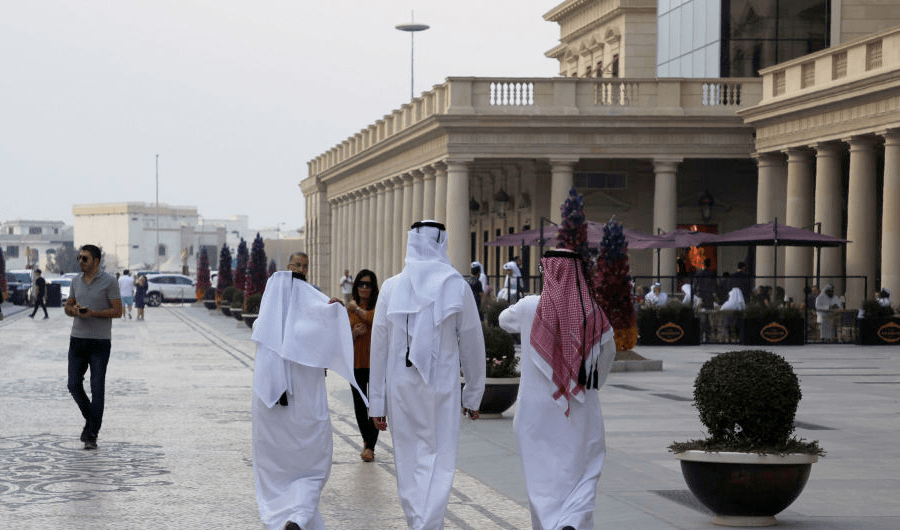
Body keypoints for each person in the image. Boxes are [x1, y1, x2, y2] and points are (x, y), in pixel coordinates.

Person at [368, 221, 486, 530]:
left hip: (400, 387)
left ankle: (419, 523)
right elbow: (473, 343)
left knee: (408, 460)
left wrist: (377, 403)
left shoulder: (392, 286)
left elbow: (377, 348)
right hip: (442, 386)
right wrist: (473, 394)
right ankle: (428, 523)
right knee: (441, 458)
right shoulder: (456, 285)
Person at [499, 249, 615, 530]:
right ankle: (571, 520)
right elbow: (608, 356)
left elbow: (503, 320)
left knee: (542, 477)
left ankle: (553, 523)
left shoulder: (528, 307)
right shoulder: (594, 313)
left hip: (534, 412)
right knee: (585, 469)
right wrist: (592, 382)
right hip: (580, 408)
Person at [251, 252, 365, 530]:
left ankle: (292, 518)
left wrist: (332, 314)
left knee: (286, 472)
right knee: (312, 470)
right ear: (288, 268)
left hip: (272, 409)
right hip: (300, 410)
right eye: (297, 266)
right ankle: (298, 518)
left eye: (305, 267)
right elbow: (325, 342)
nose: (301, 271)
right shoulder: (309, 315)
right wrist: (334, 317)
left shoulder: (272, 321)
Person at [64, 244, 122, 450]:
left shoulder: (109, 282)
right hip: (77, 339)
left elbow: (118, 311)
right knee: (73, 384)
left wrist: (93, 314)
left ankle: (92, 434)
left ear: (96, 261)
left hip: (100, 342)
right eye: (79, 258)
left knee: (97, 387)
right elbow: (68, 306)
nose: (81, 261)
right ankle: (92, 420)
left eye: (85, 258)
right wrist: (74, 310)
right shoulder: (75, 281)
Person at [347, 268, 380, 462]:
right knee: (360, 405)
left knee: (375, 404)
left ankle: (371, 448)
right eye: (361, 284)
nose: (364, 288)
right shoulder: (348, 311)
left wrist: (356, 309)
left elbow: (372, 319)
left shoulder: (377, 306)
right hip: (356, 363)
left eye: (368, 284)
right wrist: (353, 334)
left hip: (376, 364)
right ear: (356, 286)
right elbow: (341, 338)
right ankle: (367, 442)